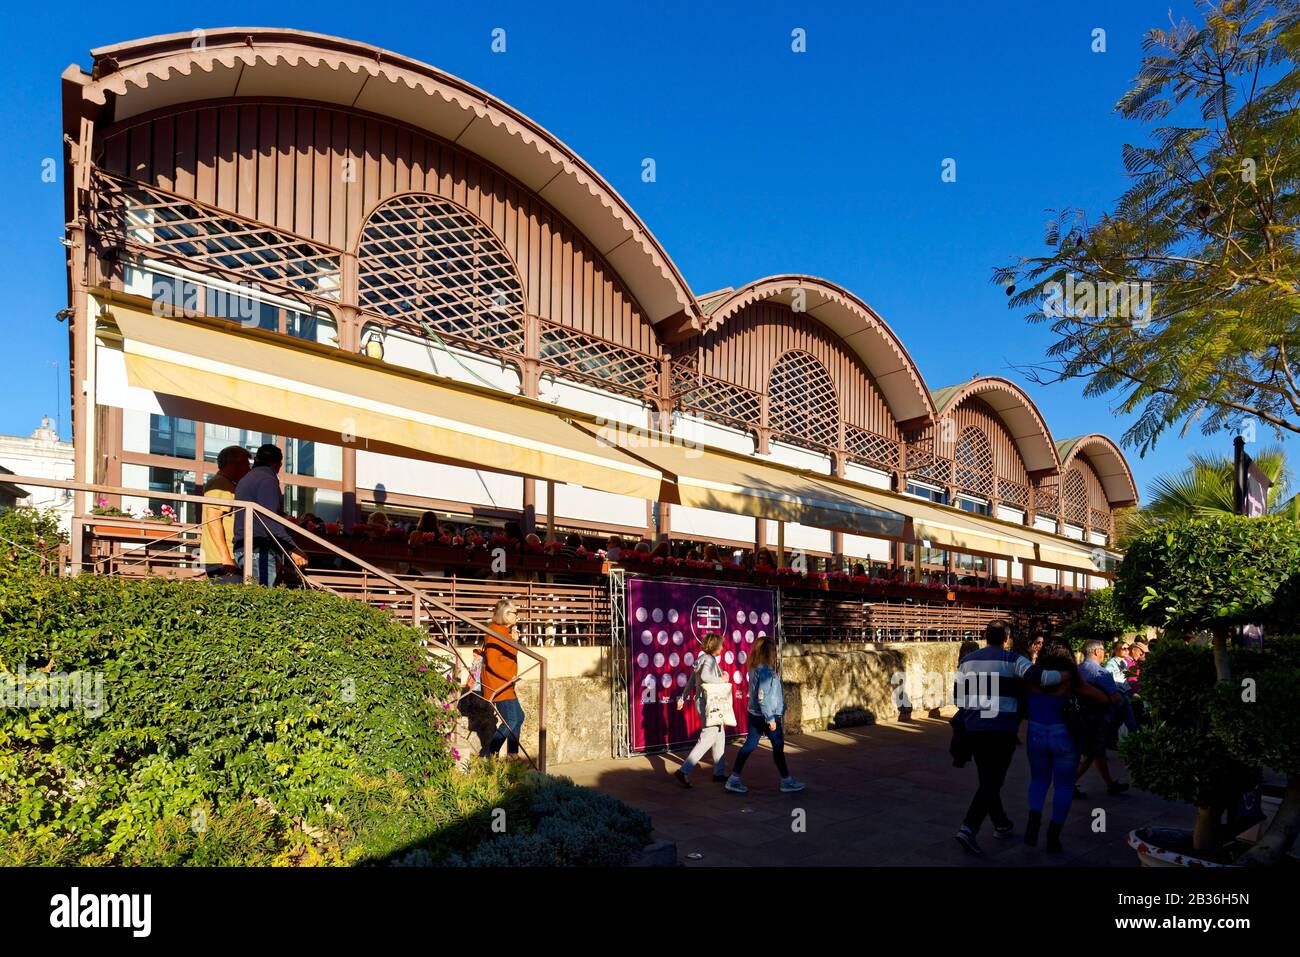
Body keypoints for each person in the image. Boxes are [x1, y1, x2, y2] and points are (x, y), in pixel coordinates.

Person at [952, 620, 1064, 855]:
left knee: (987, 779)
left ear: (985, 636)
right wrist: (1067, 672)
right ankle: (968, 827)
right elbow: (1044, 678)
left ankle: (1001, 823)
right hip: (1002, 729)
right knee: (993, 781)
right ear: (1007, 638)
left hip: (974, 729)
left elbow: (958, 699)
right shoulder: (1012, 659)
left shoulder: (967, 662)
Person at [1023, 642, 1112, 853]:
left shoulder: (1032, 676)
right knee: (1064, 785)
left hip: (1035, 732)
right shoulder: (1070, 677)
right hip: (1063, 735)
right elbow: (1101, 698)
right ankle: (1053, 836)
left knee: (1038, 779)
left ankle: (1033, 821)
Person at [725, 636, 804, 794]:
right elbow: (763, 696)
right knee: (778, 747)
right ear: (768, 653)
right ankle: (786, 781)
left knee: (749, 745)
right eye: (774, 651)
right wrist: (770, 718)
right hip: (767, 716)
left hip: (754, 714)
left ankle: (733, 779)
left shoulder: (754, 668)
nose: (775, 654)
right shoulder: (766, 671)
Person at [231, 444, 309, 587]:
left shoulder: (247, 479)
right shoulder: (267, 480)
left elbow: (263, 515)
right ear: (277, 464)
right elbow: (269, 520)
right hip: (258, 550)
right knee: (260, 601)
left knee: (254, 600)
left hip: (245, 547)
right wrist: (292, 549)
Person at [672, 633, 730, 787]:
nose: (723, 648)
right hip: (708, 704)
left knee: (719, 735)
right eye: (721, 645)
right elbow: (704, 676)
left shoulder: (702, 659)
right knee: (707, 738)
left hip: (704, 702)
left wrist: (683, 698)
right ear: (715, 647)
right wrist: (722, 679)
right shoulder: (710, 660)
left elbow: (692, 681)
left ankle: (719, 772)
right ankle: (684, 771)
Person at [1074, 639, 1129, 797]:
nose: (1104, 653)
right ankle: (1069, 783)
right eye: (1103, 650)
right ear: (1097, 652)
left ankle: (1110, 783)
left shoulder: (1078, 670)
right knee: (1094, 753)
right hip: (1098, 718)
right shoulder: (1101, 672)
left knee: (1094, 753)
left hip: (1080, 717)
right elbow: (1114, 698)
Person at [481, 598, 526, 759]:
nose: (517, 617)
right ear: (506, 615)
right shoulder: (494, 632)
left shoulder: (504, 632)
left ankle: (512, 754)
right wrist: (514, 678)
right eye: (515, 613)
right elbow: (493, 663)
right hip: (498, 684)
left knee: (518, 717)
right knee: (512, 719)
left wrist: (513, 640)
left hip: (506, 684)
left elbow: (508, 655)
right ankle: (488, 754)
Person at [200, 445, 251, 581]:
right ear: (234, 464)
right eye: (246, 463)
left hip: (223, 558)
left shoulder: (225, 483)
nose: (248, 468)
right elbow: (213, 520)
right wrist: (225, 556)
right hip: (223, 559)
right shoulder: (221, 484)